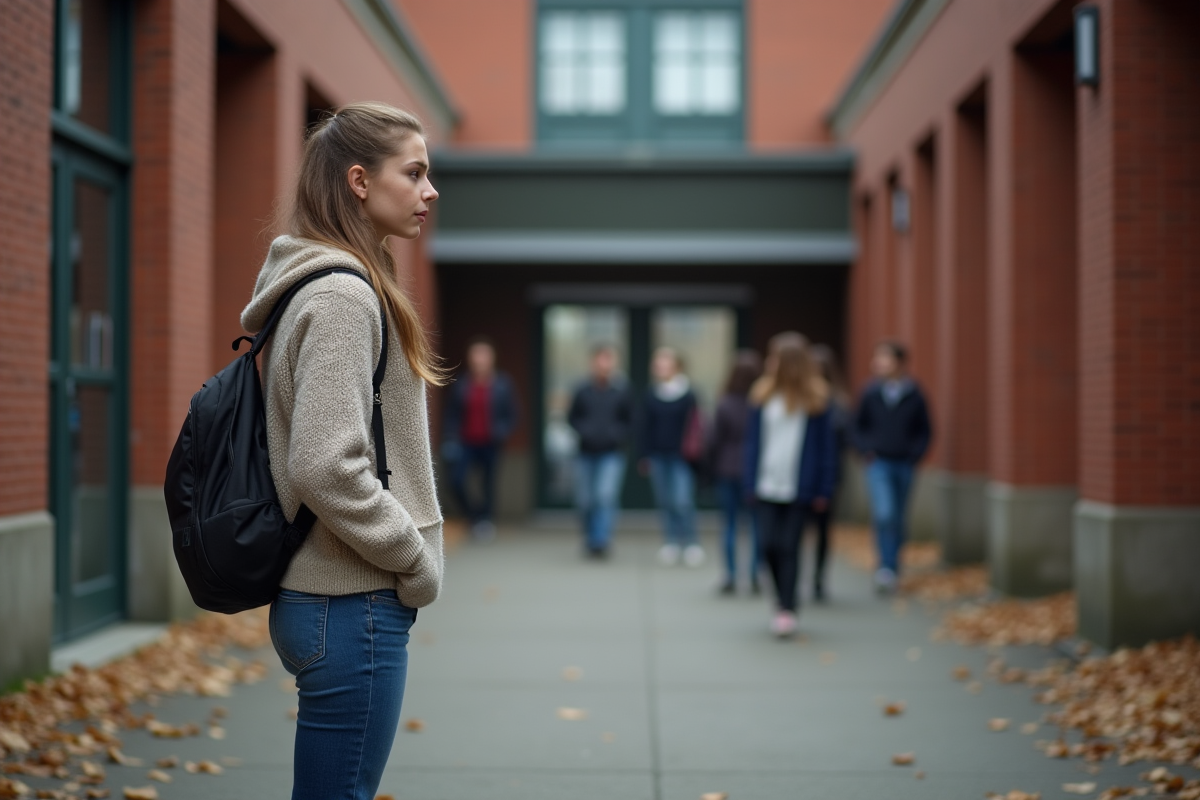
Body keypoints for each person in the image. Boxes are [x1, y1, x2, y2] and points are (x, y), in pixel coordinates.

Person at [241, 102, 445, 800]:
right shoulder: (341, 298)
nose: (429, 190)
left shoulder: (334, 286)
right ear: (359, 181)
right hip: (349, 600)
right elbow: (326, 464)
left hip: (332, 601)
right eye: (413, 173)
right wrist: (412, 557)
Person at [744, 337, 836, 637]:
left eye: (774, 357)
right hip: (767, 485)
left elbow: (826, 449)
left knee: (790, 547)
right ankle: (781, 599)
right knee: (767, 546)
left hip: (800, 488)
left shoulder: (817, 400)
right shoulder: (762, 396)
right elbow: (753, 444)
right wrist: (749, 481)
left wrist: (823, 488)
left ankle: (787, 607)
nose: (769, 363)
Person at [850, 340, 932, 594]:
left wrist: (914, 455)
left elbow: (926, 430)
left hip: (904, 464)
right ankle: (885, 568)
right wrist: (867, 452)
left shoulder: (914, 393)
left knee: (898, 516)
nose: (878, 363)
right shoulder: (870, 392)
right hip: (879, 463)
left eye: (884, 358)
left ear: (899, 362)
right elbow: (856, 426)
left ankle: (894, 566)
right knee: (885, 513)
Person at [443, 338, 518, 540]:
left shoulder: (503, 384)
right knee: (456, 481)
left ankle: (485, 520)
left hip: (490, 442)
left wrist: (501, 432)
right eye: (476, 355)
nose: (479, 360)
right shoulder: (462, 384)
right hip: (465, 442)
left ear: (492, 359)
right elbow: (452, 413)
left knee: (488, 483)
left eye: (483, 355)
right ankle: (473, 515)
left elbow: (512, 414)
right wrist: (450, 437)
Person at [639, 347, 704, 567]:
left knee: (682, 500)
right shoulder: (652, 393)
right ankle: (671, 542)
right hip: (658, 455)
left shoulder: (689, 393)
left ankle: (692, 542)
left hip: (681, 457)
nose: (660, 368)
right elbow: (645, 427)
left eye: (665, 363)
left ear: (676, 366)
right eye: (658, 364)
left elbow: (697, 426)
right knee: (665, 501)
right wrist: (644, 455)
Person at [567, 345, 634, 558]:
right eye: (600, 360)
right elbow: (572, 417)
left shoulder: (622, 389)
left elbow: (631, 420)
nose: (604, 365)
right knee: (585, 500)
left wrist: (617, 434)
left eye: (608, 360)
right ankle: (589, 536)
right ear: (593, 362)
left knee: (604, 496)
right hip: (585, 453)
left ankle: (600, 540)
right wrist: (584, 430)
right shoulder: (582, 389)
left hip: (611, 453)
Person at [709, 349, 763, 594]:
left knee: (729, 523)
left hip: (728, 469)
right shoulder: (762, 405)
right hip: (756, 471)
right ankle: (753, 574)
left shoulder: (725, 404)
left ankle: (730, 574)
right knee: (754, 525)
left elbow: (714, 440)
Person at [807, 343, 850, 602]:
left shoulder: (837, 403)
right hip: (803, 475)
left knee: (823, 529)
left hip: (828, 473)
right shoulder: (800, 399)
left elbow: (846, 437)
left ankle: (819, 578)